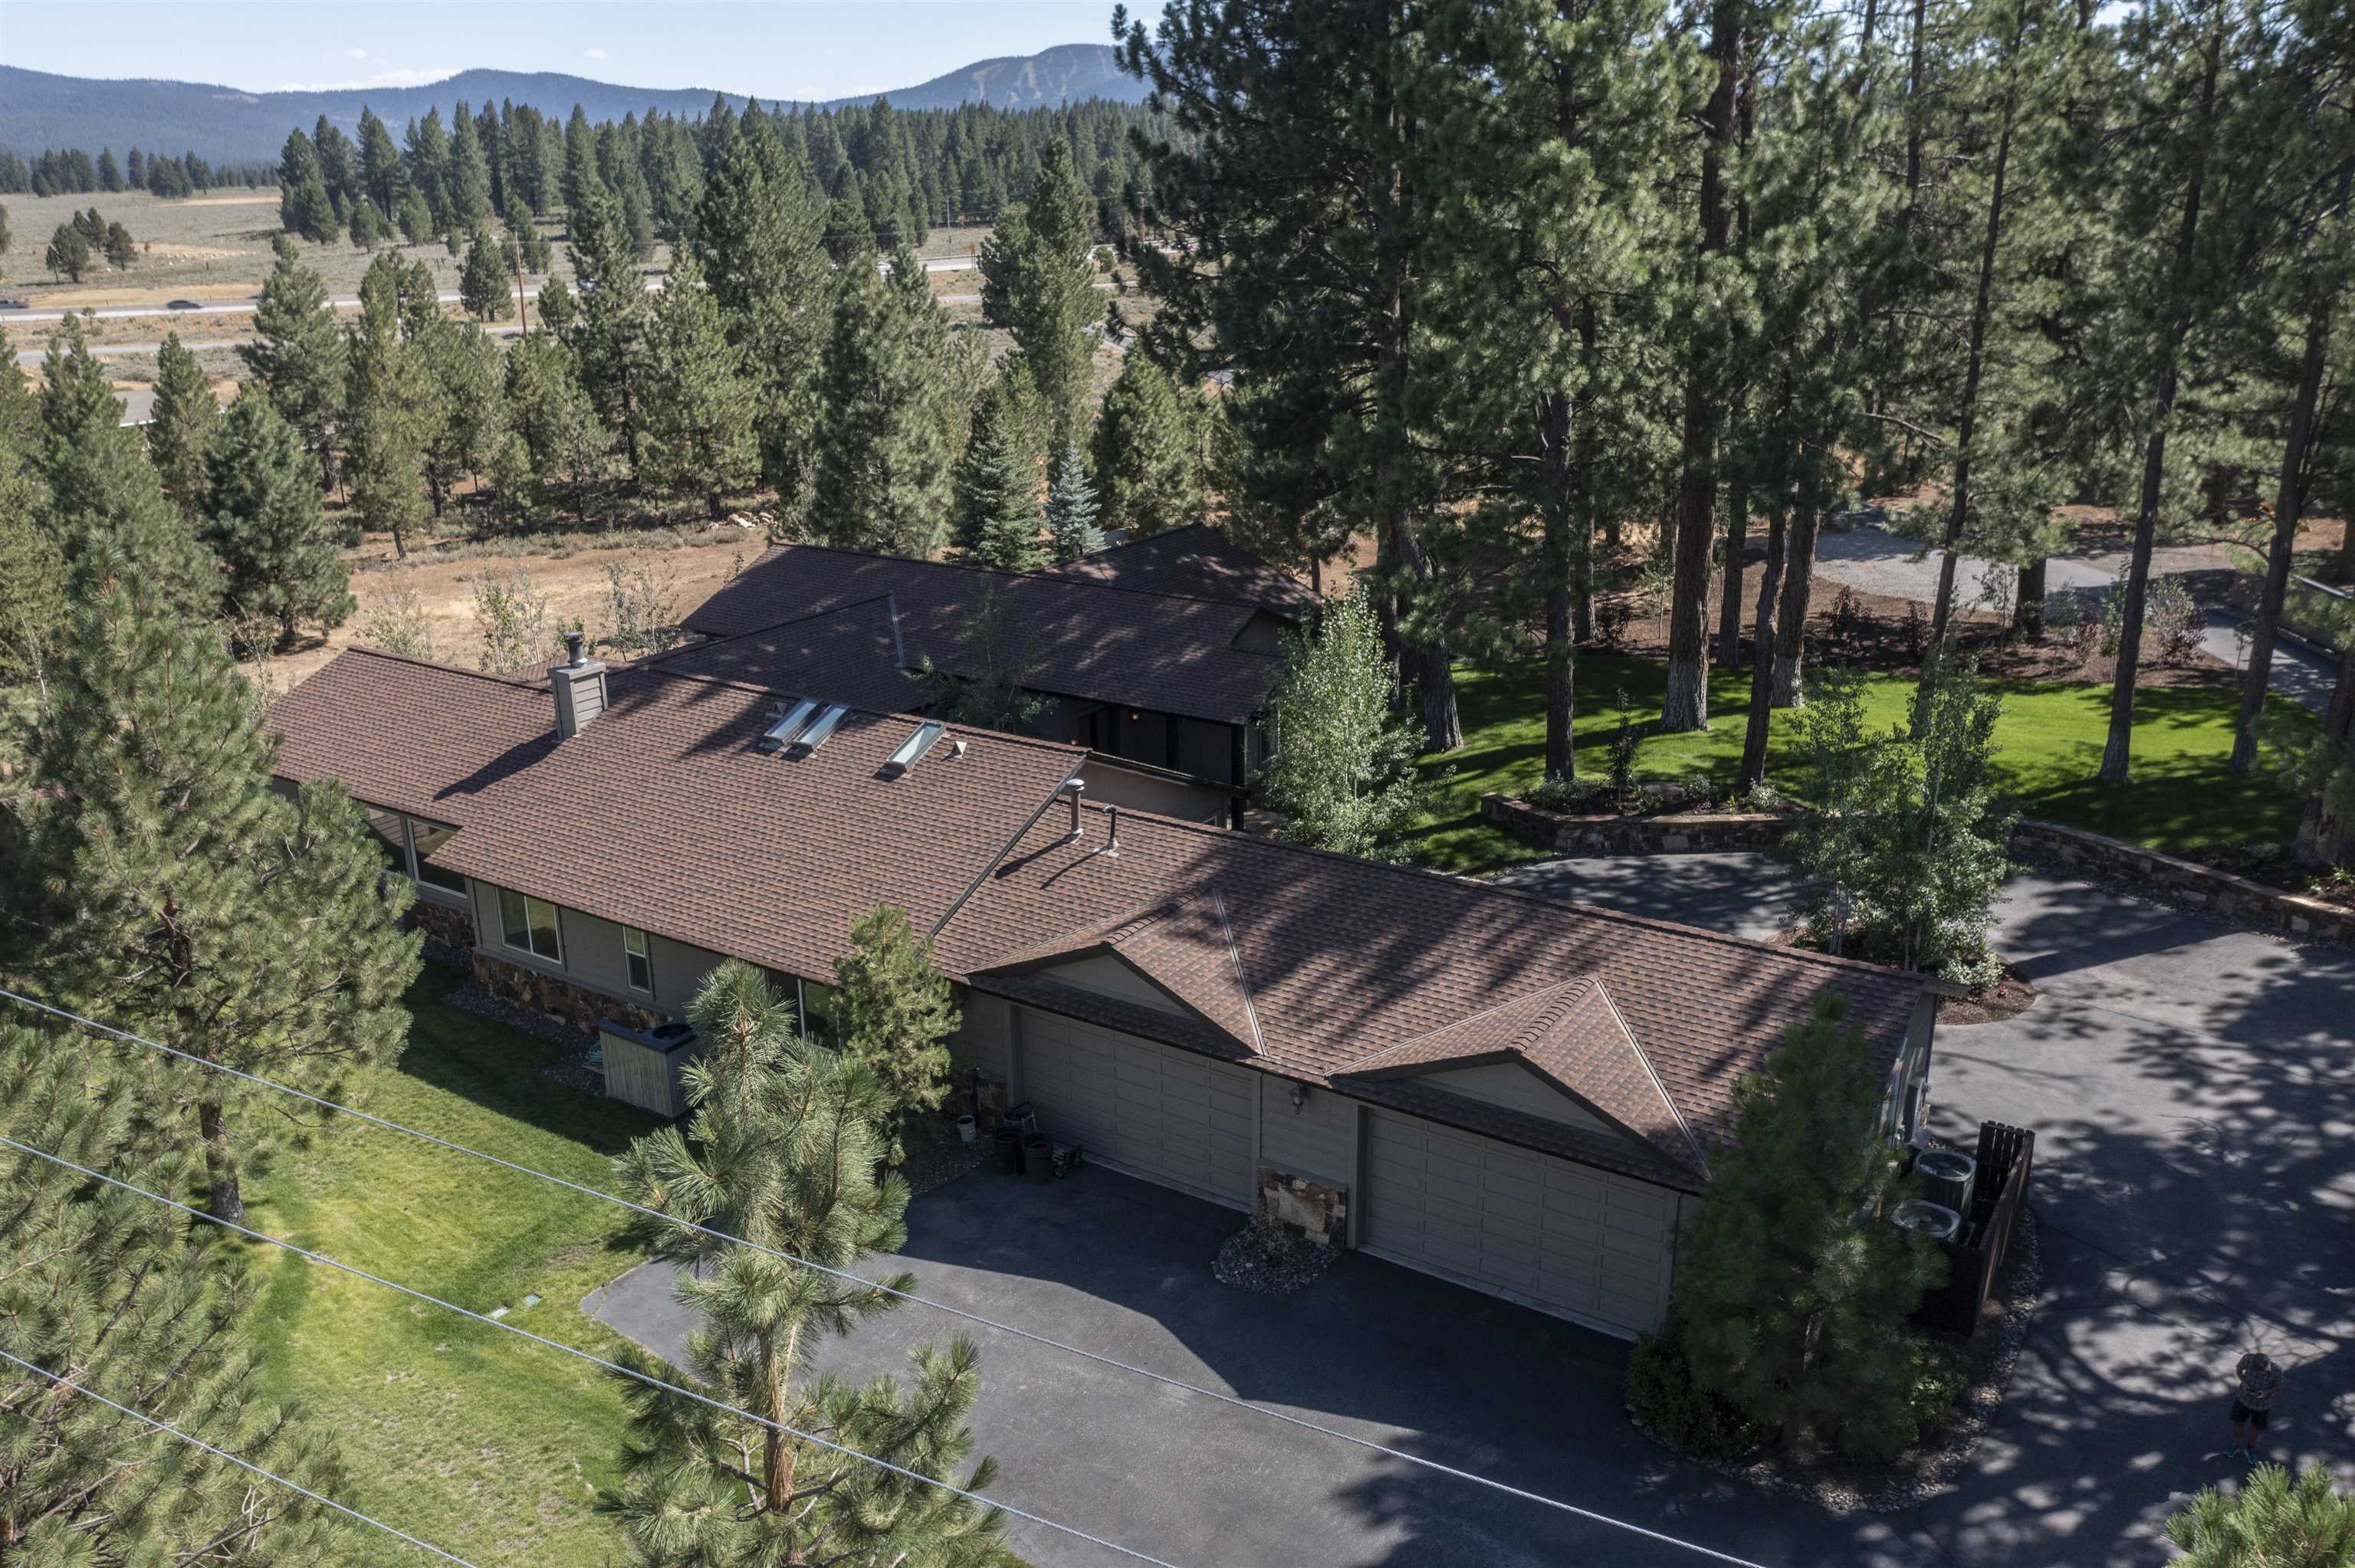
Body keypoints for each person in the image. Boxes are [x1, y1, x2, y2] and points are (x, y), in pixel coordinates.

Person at [2229, 1350, 2281, 1458]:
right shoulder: (2247, 1359)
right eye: (2256, 1371)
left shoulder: (2276, 1369)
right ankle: (2236, 1445)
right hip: (2243, 1399)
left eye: (2261, 1371)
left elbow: (2278, 1386)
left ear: (2268, 1365)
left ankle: (2251, 1448)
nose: (2258, 1373)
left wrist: (2266, 1393)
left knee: (2256, 1428)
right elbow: (2239, 1370)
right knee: (2238, 1423)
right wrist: (2244, 1383)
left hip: (2262, 1405)